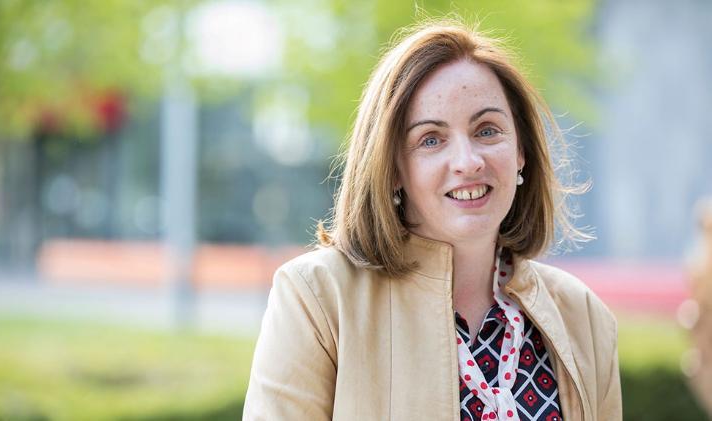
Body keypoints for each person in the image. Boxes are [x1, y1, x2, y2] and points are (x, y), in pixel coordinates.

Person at [243, 20, 621, 421]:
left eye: (487, 130)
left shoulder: (583, 317)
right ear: (391, 168)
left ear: (521, 151)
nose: (468, 161)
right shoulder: (318, 299)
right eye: (431, 139)